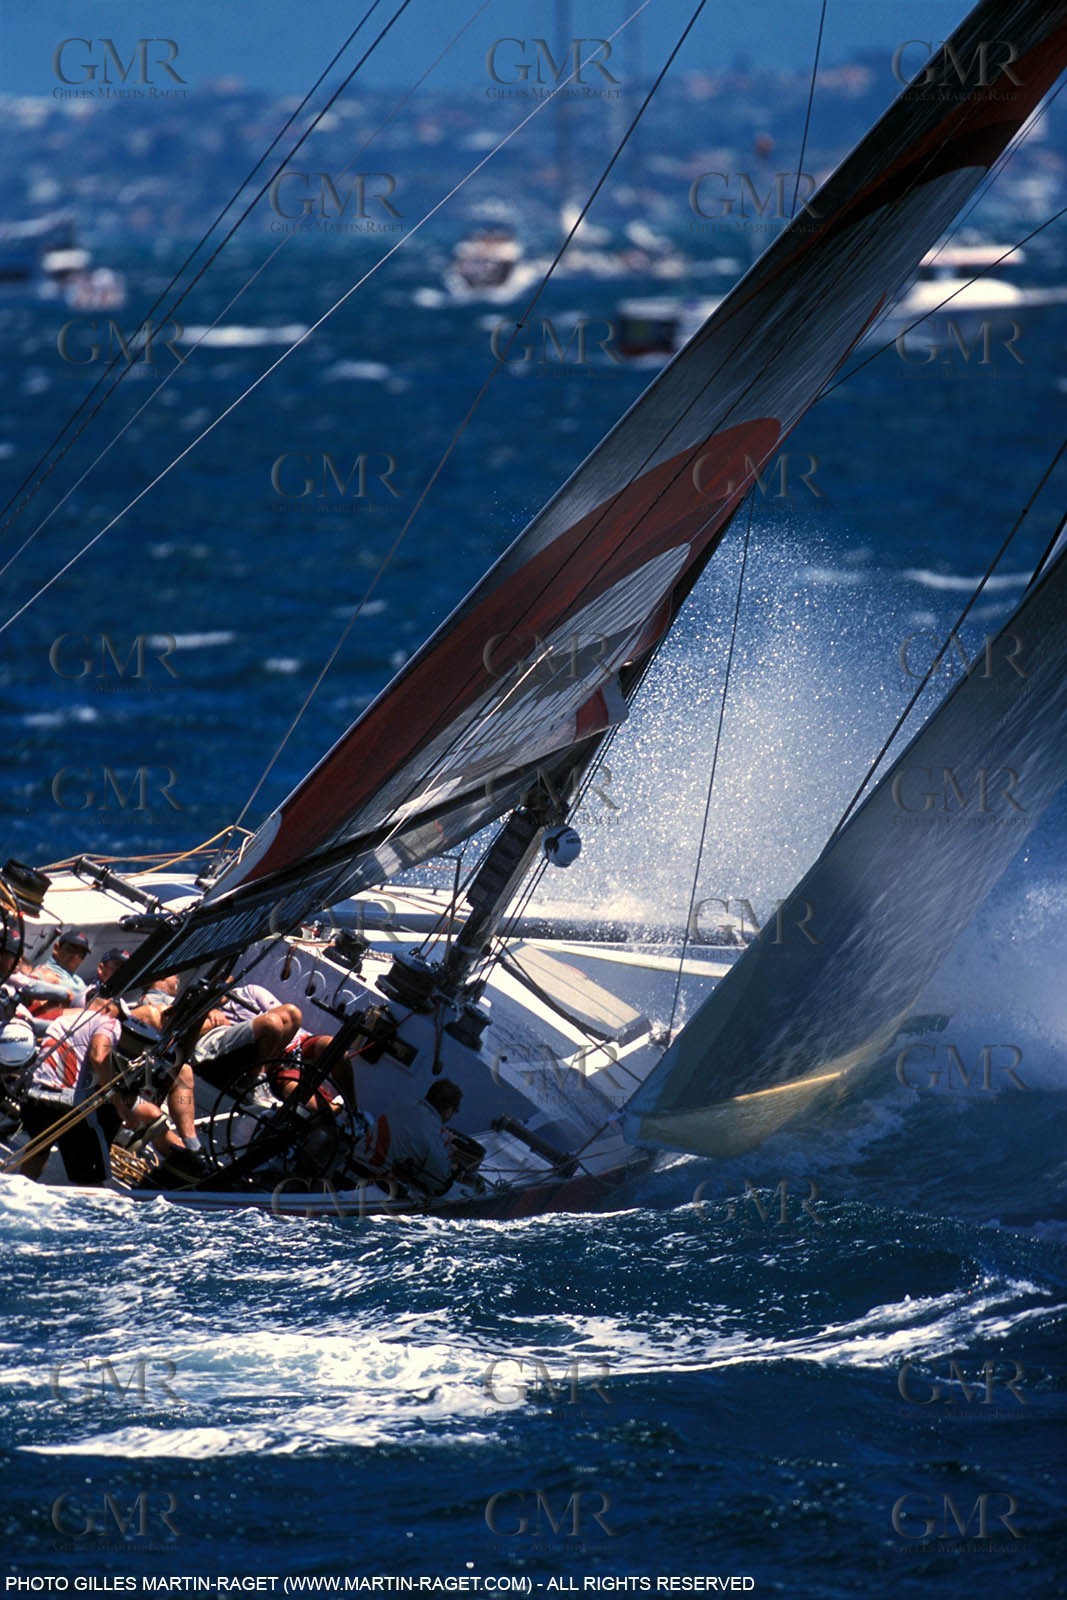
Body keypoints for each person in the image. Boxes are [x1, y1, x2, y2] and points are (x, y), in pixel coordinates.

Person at [16, 998, 191, 1185]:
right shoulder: (108, 1023)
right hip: (66, 1101)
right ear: (109, 1010)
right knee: (91, 1179)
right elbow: (99, 1058)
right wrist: (120, 1106)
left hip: (34, 1095)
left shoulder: (68, 1020)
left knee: (37, 1152)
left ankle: (19, 1190)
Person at [190, 984, 302, 1093]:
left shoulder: (246, 993)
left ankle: (260, 1077)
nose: (223, 983)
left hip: (243, 1037)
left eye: (226, 980)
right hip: (212, 1041)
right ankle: (254, 1079)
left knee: (293, 1014)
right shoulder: (200, 996)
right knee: (271, 1023)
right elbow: (188, 1030)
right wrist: (209, 1012)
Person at [362, 1079, 463, 1197]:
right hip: (377, 1184)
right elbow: (438, 1185)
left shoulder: (402, 1104)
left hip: (354, 1164)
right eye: (454, 1111)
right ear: (448, 1110)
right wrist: (454, 1168)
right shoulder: (436, 1134)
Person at [33, 930, 91, 1005]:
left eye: (82, 954)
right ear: (56, 948)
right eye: (71, 949)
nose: (75, 956)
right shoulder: (44, 973)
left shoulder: (78, 980)